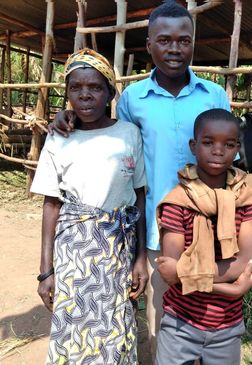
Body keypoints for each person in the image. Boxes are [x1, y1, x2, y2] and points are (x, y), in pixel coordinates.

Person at [48, 1, 230, 357]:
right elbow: (105, 130)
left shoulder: (215, 96)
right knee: (161, 318)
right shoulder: (133, 99)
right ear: (149, 45)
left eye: (183, 40)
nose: (174, 49)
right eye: (164, 40)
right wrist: (67, 114)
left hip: (210, 225)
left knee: (209, 314)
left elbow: (231, 162)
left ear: (194, 43)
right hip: (157, 231)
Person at [31, 48, 148, 364]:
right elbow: (51, 203)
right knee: (74, 327)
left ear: (110, 92)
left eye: (95, 88)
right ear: (66, 93)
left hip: (117, 249)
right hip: (74, 253)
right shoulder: (59, 137)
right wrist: (45, 272)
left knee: (115, 324)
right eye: (76, 88)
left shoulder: (128, 134)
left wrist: (139, 259)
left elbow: (139, 196)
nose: (85, 96)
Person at [155, 108, 252, 365]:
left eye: (228, 144)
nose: (218, 150)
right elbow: (171, 274)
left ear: (237, 148)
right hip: (180, 322)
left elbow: (243, 264)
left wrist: (188, 272)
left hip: (227, 327)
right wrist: (231, 289)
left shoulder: (248, 202)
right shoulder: (178, 202)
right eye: (208, 143)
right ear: (194, 146)